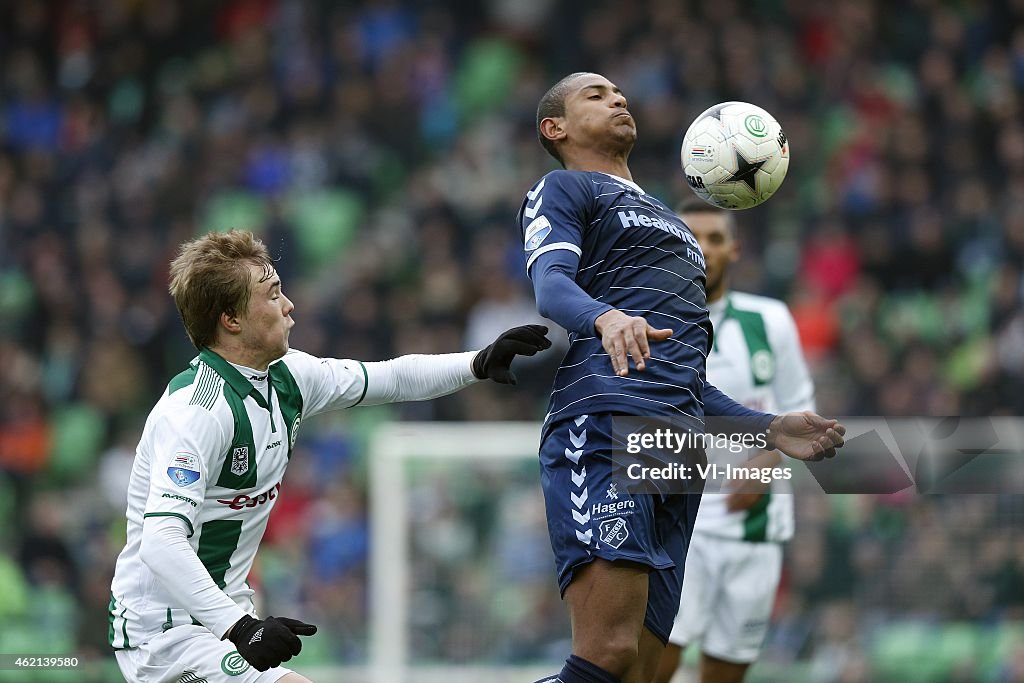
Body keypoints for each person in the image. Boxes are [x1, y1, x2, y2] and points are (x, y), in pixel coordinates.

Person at [108, 230, 551, 683]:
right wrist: (239, 627)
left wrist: (476, 363)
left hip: (223, 622)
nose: (289, 306)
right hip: (164, 631)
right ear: (231, 320)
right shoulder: (195, 413)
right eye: (273, 294)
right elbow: (162, 541)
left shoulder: (288, 376)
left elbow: (391, 379)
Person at [519, 72, 844, 683]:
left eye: (619, 91)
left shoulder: (671, 222)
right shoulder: (563, 188)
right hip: (608, 423)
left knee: (643, 671)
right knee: (606, 654)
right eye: (595, 94)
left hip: (676, 447)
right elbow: (552, 285)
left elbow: (685, 376)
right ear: (554, 128)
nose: (617, 97)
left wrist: (766, 427)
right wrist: (603, 316)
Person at [653, 200, 814, 683]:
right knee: (652, 668)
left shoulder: (771, 321)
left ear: (735, 249)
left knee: (725, 673)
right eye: (691, 238)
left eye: (715, 239)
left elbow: (798, 409)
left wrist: (765, 461)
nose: (703, 249)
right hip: (678, 532)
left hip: (754, 529)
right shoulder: (646, 323)